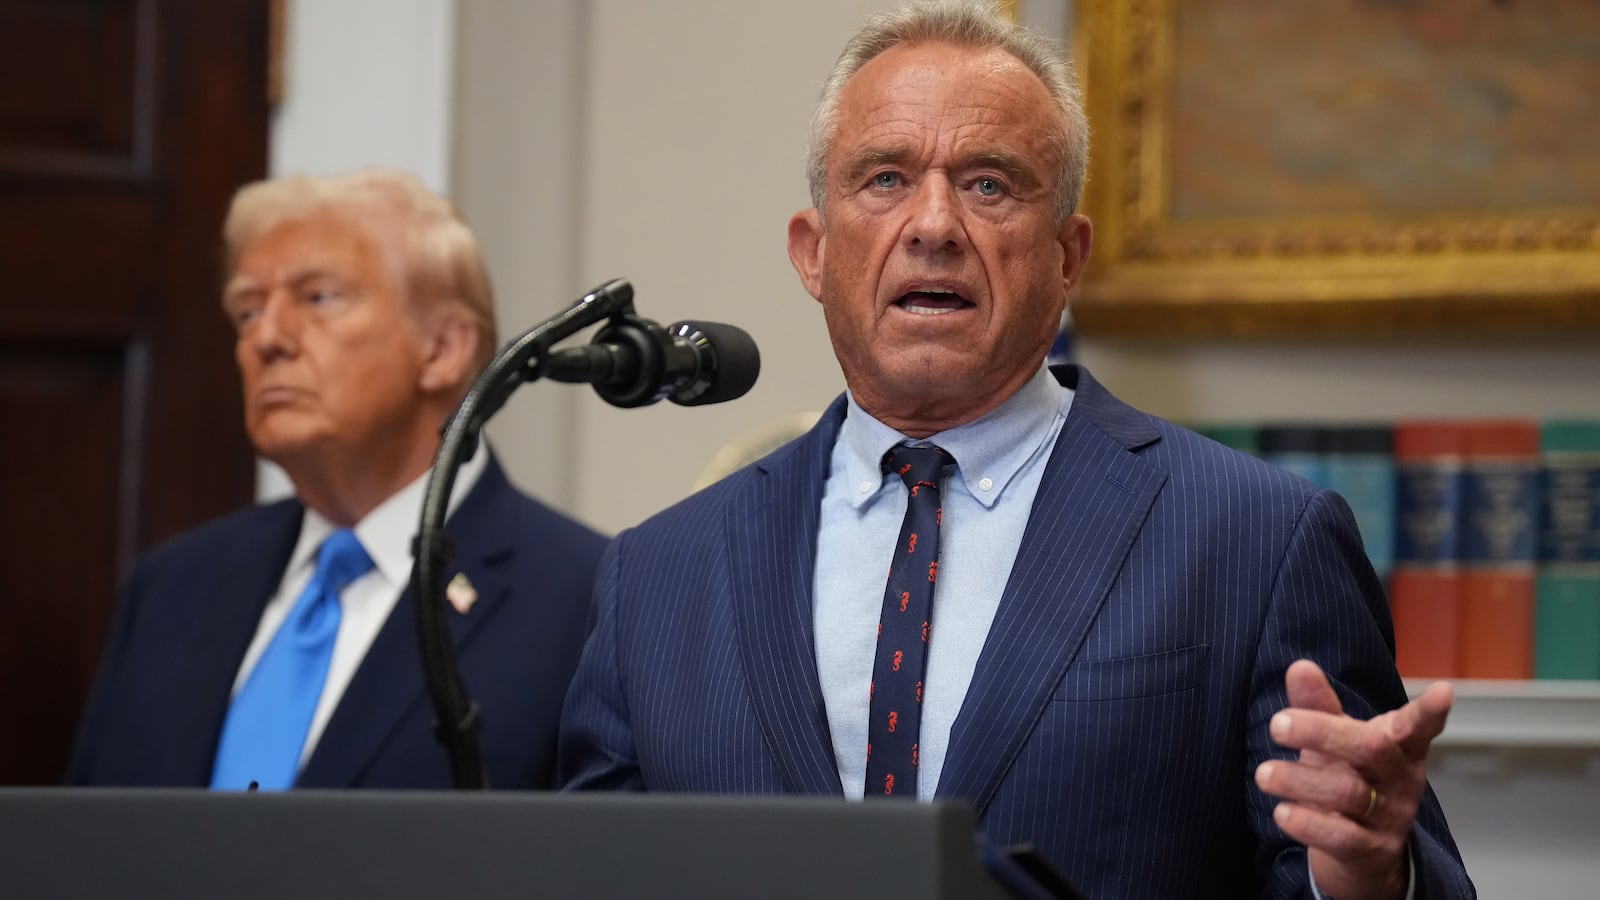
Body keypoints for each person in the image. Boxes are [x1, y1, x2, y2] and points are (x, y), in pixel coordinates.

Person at [559, 2, 1473, 897]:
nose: (933, 225)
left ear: (1068, 257)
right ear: (813, 251)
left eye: (989, 183)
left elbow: (1370, 856)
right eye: (884, 179)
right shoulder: (657, 574)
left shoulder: (1258, 540)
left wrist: (1360, 878)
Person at [70, 167, 606, 790]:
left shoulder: (587, 599)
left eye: (318, 297)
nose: (265, 338)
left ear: (443, 349)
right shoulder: (173, 586)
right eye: (247, 311)